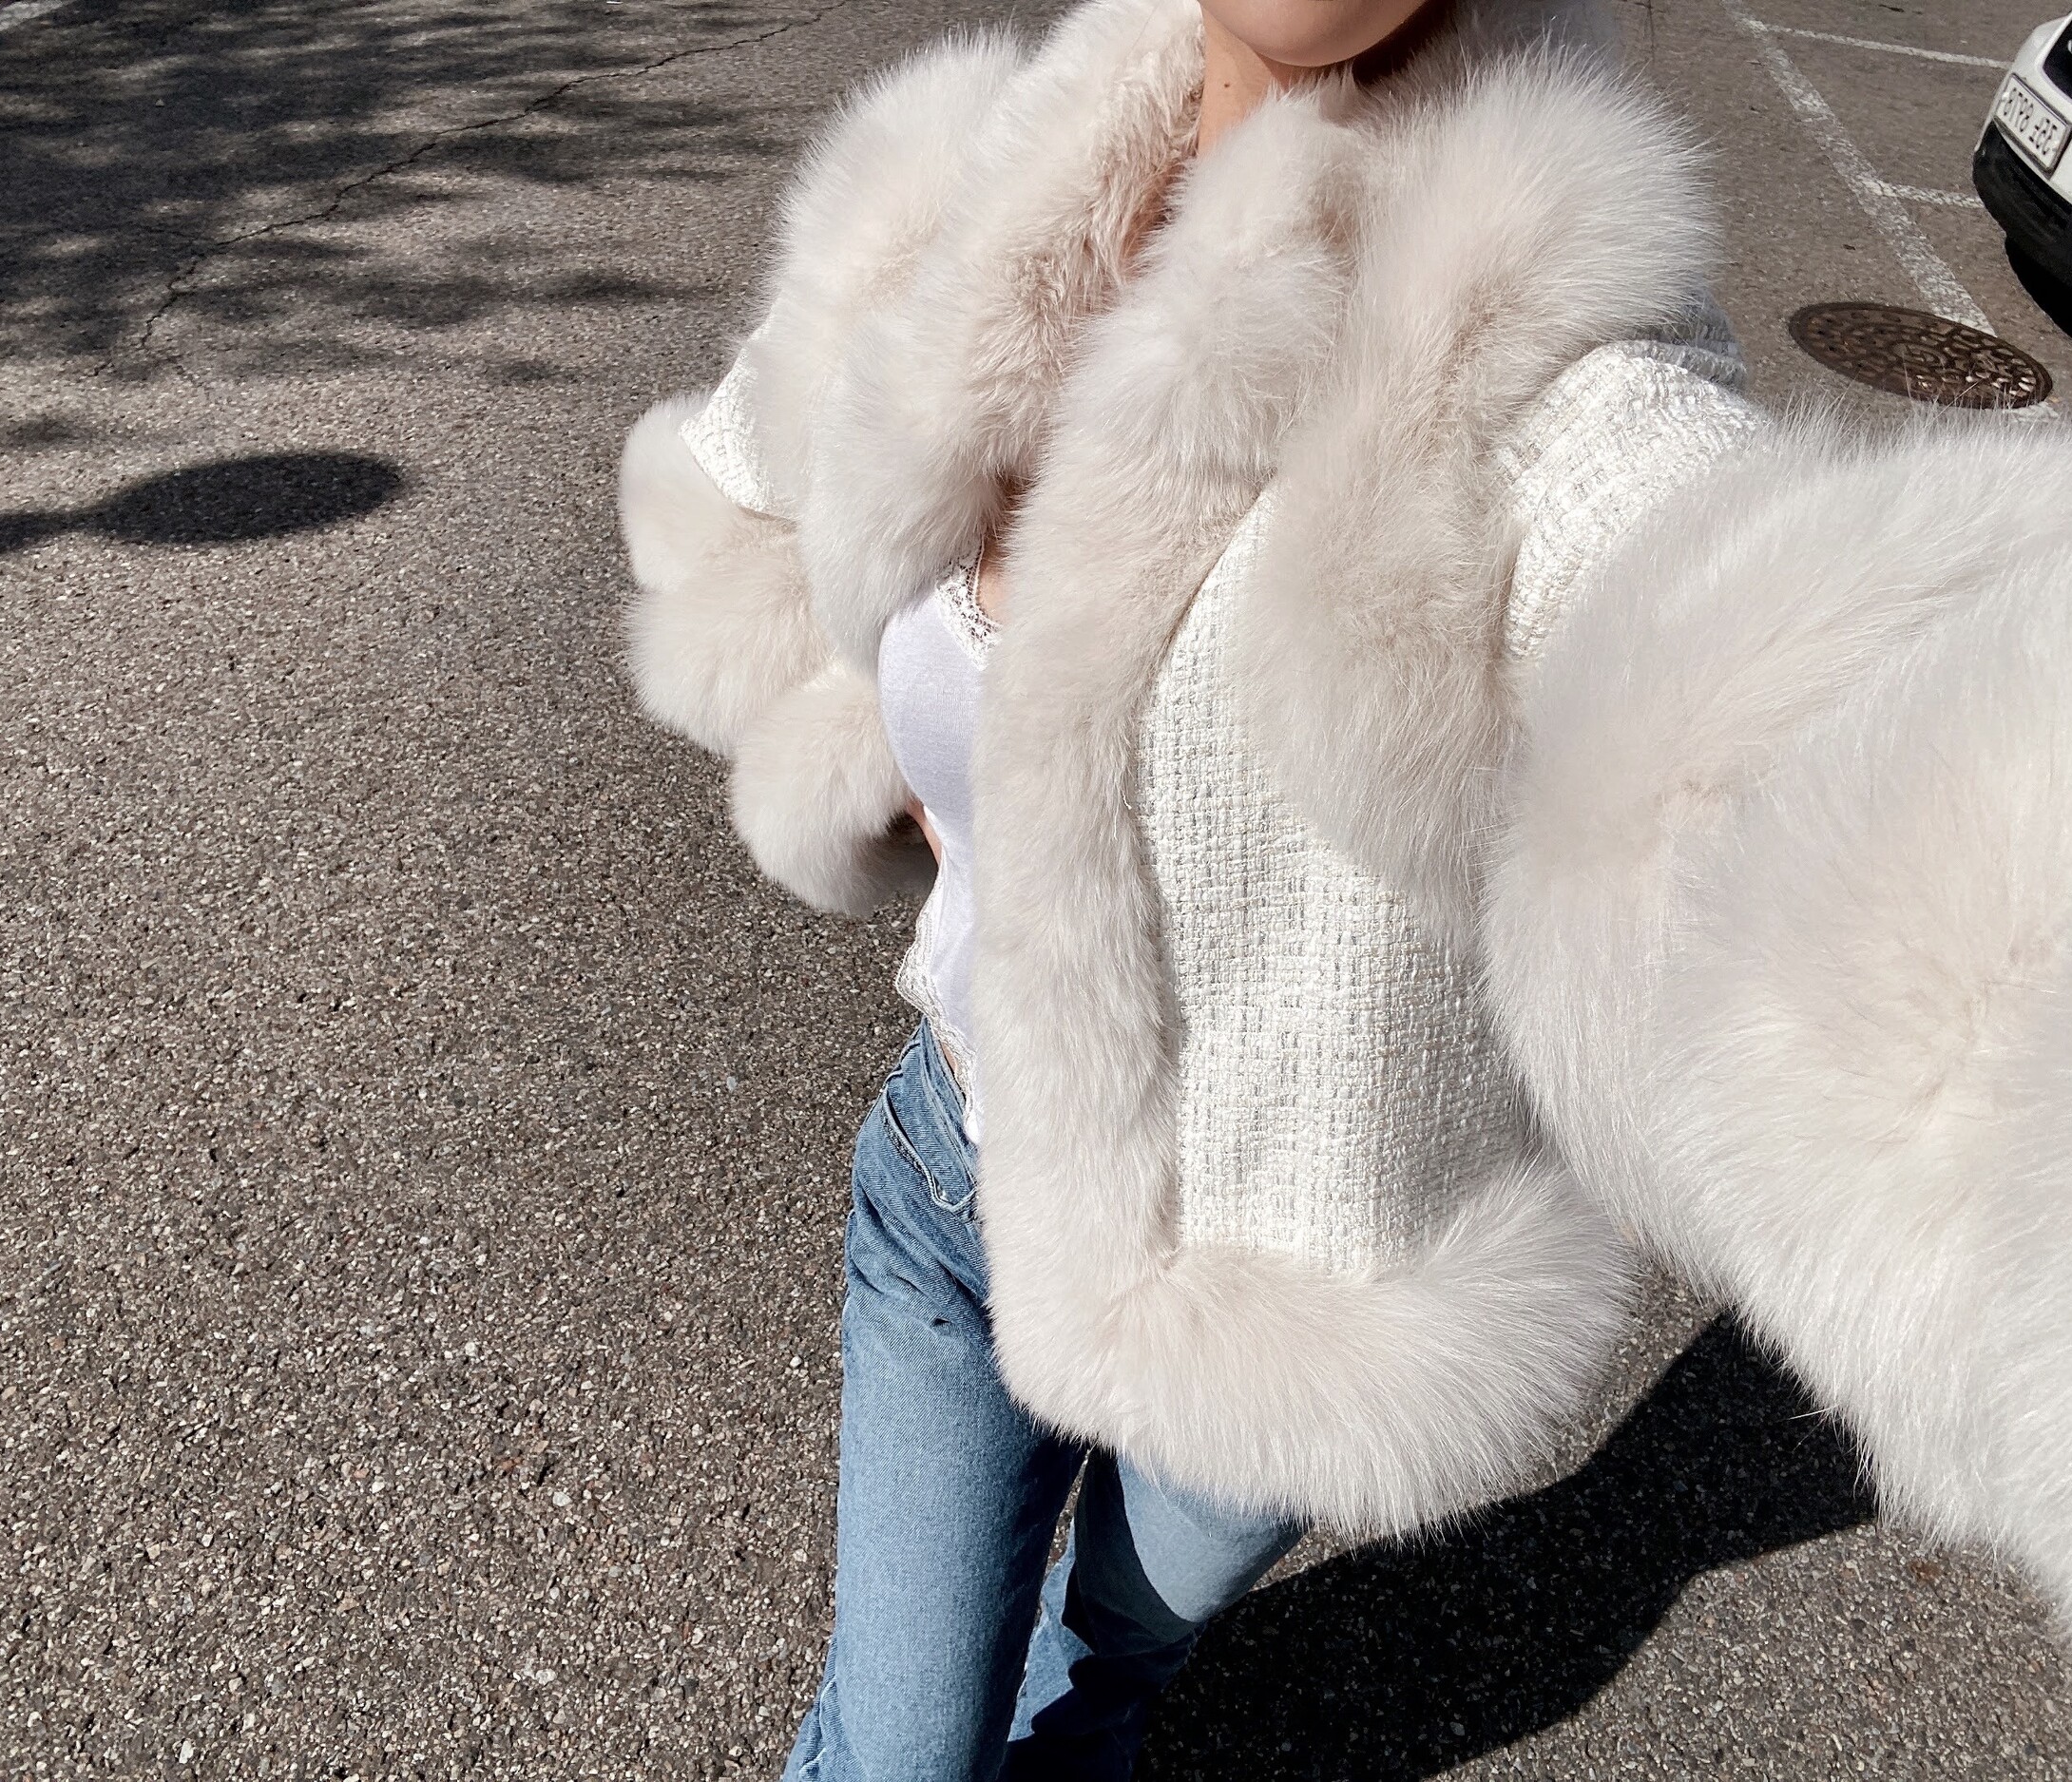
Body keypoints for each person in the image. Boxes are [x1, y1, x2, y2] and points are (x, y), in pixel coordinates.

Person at [617, 0, 1763, 1773]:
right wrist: (894, 754)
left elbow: (1783, 666)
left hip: (1276, 1294)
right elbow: (734, 514)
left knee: (1104, 1679)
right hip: (954, 1178)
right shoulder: (970, 186)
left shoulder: (1541, 344)